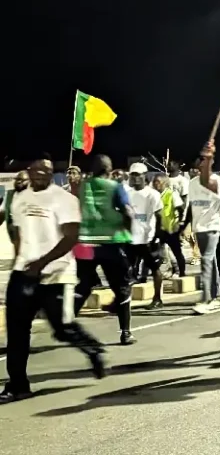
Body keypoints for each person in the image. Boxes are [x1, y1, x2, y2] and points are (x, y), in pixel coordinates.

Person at [2, 158, 106, 404]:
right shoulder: (19, 198)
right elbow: (20, 235)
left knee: (62, 329)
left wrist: (41, 262)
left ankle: (92, 349)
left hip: (56, 274)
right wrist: (20, 265)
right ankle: (18, 386)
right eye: (36, 170)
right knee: (16, 333)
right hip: (25, 273)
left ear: (52, 173)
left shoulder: (64, 199)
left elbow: (71, 237)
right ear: (28, 171)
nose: (40, 174)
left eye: (46, 171)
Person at [73, 155, 138, 345]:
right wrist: (128, 231)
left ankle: (66, 326)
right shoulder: (115, 187)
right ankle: (125, 333)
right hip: (111, 242)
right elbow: (128, 211)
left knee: (84, 285)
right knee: (122, 288)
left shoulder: (83, 186)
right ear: (109, 169)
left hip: (85, 244)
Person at [191, 152, 220, 315]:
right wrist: (184, 224)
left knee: (206, 260)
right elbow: (192, 206)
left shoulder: (219, 183)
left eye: (204, 162)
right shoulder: (193, 183)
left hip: (213, 226)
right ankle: (216, 297)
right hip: (199, 227)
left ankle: (207, 299)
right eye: (199, 163)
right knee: (211, 261)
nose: (200, 166)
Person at [127, 162, 164, 309]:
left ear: (144, 176)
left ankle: (157, 298)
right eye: (133, 175)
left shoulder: (152, 194)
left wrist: (156, 236)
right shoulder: (127, 193)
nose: (135, 178)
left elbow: (160, 216)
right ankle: (123, 300)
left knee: (154, 269)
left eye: (138, 175)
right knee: (126, 270)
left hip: (148, 239)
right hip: (131, 238)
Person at [153, 174, 187, 278]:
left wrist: (179, 222)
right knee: (157, 252)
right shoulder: (154, 195)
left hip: (171, 228)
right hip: (159, 229)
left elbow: (181, 207)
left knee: (177, 251)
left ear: (164, 183)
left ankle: (181, 272)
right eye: (154, 182)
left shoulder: (171, 194)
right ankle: (158, 272)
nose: (155, 184)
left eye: (158, 181)